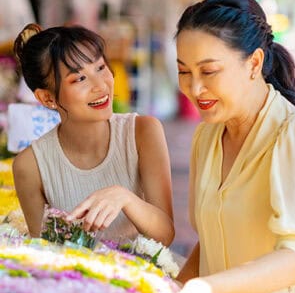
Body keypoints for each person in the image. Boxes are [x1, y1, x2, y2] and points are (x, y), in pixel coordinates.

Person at [174, 0, 295, 293]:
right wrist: (172, 287)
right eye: (184, 72)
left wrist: (208, 288)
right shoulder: (207, 137)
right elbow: (213, 239)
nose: (195, 87)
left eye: (209, 71)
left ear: (254, 63)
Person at [12, 23, 175, 246]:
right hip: (77, 278)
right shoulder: (30, 165)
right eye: (79, 78)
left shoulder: (143, 132)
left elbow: (165, 235)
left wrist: (124, 198)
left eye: (100, 67)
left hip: (142, 277)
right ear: (47, 98)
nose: (101, 85)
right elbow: (42, 251)